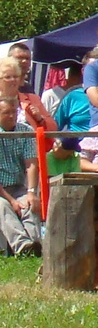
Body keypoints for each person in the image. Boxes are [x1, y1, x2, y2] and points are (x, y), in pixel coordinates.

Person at [0, 96, 41, 256]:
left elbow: (31, 164)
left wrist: (31, 192)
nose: (11, 116)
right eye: (6, 113)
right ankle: (23, 247)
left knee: (29, 204)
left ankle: (35, 245)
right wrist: (11, 201)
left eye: (14, 112)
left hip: (19, 186)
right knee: (2, 207)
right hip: (1, 190)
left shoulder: (25, 131)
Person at [0, 58, 54, 133]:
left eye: (15, 76)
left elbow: (53, 129)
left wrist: (40, 119)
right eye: (8, 77)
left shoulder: (33, 99)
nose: (13, 80)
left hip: (31, 143)